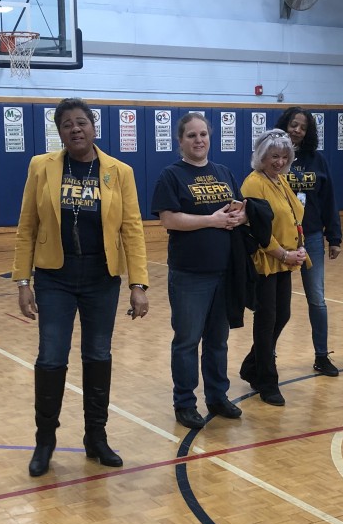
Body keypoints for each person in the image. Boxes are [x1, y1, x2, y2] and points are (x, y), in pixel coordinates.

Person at [13, 98, 149, 475]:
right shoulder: (42, 167)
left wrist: (138, 284)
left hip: (101, 278)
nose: (75, 129)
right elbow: (27, 226)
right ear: (59, 132)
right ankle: (45, 441)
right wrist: (23, 281)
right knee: (51, 357)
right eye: (67, 124)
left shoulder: (119, 171)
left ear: (94, 127)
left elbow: (132, 229)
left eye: (81, 122)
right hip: (55, 276)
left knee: (98, 355)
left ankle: (96, 437)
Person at [151, 113, 247, 429]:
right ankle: (185, 403)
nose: (199, 140)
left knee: (218, 341)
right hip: (190, 274)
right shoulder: (171, 175)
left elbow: (239, 209)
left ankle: (218, 397)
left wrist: (238, 218)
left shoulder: (223, 172)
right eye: (191, 135)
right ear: (180, 141)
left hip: (224, 272)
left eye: (203, 134)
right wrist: (211, 220)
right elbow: (169, 219)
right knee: (187, 341)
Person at [239, 129, 309, 406]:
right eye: (273, 157)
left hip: (285, 260)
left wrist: (299, 247)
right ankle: (267, 380)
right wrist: (283, 254)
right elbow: (257, 229)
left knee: (282, 316)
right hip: (266, 261)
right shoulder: (254, 183)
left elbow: (292, 217)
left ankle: (251, 366)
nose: (279, 162)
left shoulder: (280, 181)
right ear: (261, 156)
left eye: (283, 156)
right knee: (267, 321)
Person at [277, 107, 342, 376]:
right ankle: (266, 358)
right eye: (293, 125)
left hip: (311, 236)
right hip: (279, 239)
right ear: (285, 125)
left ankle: (321, 355)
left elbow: (329, 199)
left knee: (317, 299)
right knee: (277, 303)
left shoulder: (318, 160)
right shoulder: (274, 158)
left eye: (303, 127)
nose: (297, 131)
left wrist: (334, 237)